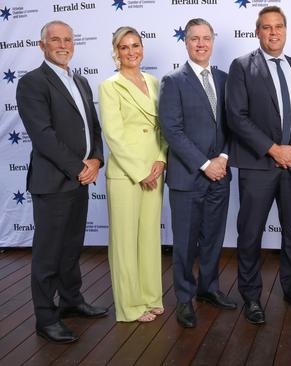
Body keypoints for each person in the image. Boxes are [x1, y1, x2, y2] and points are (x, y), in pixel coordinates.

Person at [16, 20, 107, 343]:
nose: (63, 45)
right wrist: (78, 167)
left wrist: (96, 159)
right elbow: (43, 136)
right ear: (42, 46)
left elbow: (92, 128)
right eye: (55, 40)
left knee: (71, 248)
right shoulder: (32, 83)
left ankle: (71, 301)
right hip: (53, 182)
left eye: (68, 39)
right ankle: (45, 316)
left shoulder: (80, 80)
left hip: (79, 179)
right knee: (48, 253)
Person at [226, 6, 291, 325]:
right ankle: (251, 297)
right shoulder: (241, 67)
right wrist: (273, 149)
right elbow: (237, 116)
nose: (273, 32)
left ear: (286, 30)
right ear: (257, 31)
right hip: (257, 166)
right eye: (266, 27)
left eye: (279, 26)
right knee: (250, 234)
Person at [159, 18, 236, 329]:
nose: (201, 43)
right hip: (189, 177)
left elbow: (234, 124)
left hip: (221, 174)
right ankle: (184, 299)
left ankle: (208, 289)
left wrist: (224, 158)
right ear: (186, 42)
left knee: (213, 238)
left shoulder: (226, 79)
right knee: (186, 242)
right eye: (195, 39)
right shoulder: (173, 81)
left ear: (213, 41)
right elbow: (172, 131)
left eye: (206, 38)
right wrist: (206, 164)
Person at [98, 26, 166, 323]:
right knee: (125, 242)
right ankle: (130, 306)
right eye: (124, 47)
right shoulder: (109, 86)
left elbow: (162, 127)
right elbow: (113, 135)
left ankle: (151, 297)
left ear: (142, 47)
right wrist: (141, 172)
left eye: (135, 45)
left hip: (154, 168)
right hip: (127, 174)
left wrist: (161, 161)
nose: (131, 52)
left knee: (149, 238)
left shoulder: (153, 81)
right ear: (116, 52)